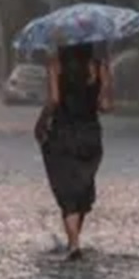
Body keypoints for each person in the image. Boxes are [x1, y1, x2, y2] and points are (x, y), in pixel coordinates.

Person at [35, 42, 113, 261]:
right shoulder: (98, 67)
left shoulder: (56, 65)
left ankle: (73, 244)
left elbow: (54, 100)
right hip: (90, 136)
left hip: (63, 135)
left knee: (66, 189)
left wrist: (41, 122)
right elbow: (106, 106)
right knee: (82, 190)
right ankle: (74, 240)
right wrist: (105, 83)